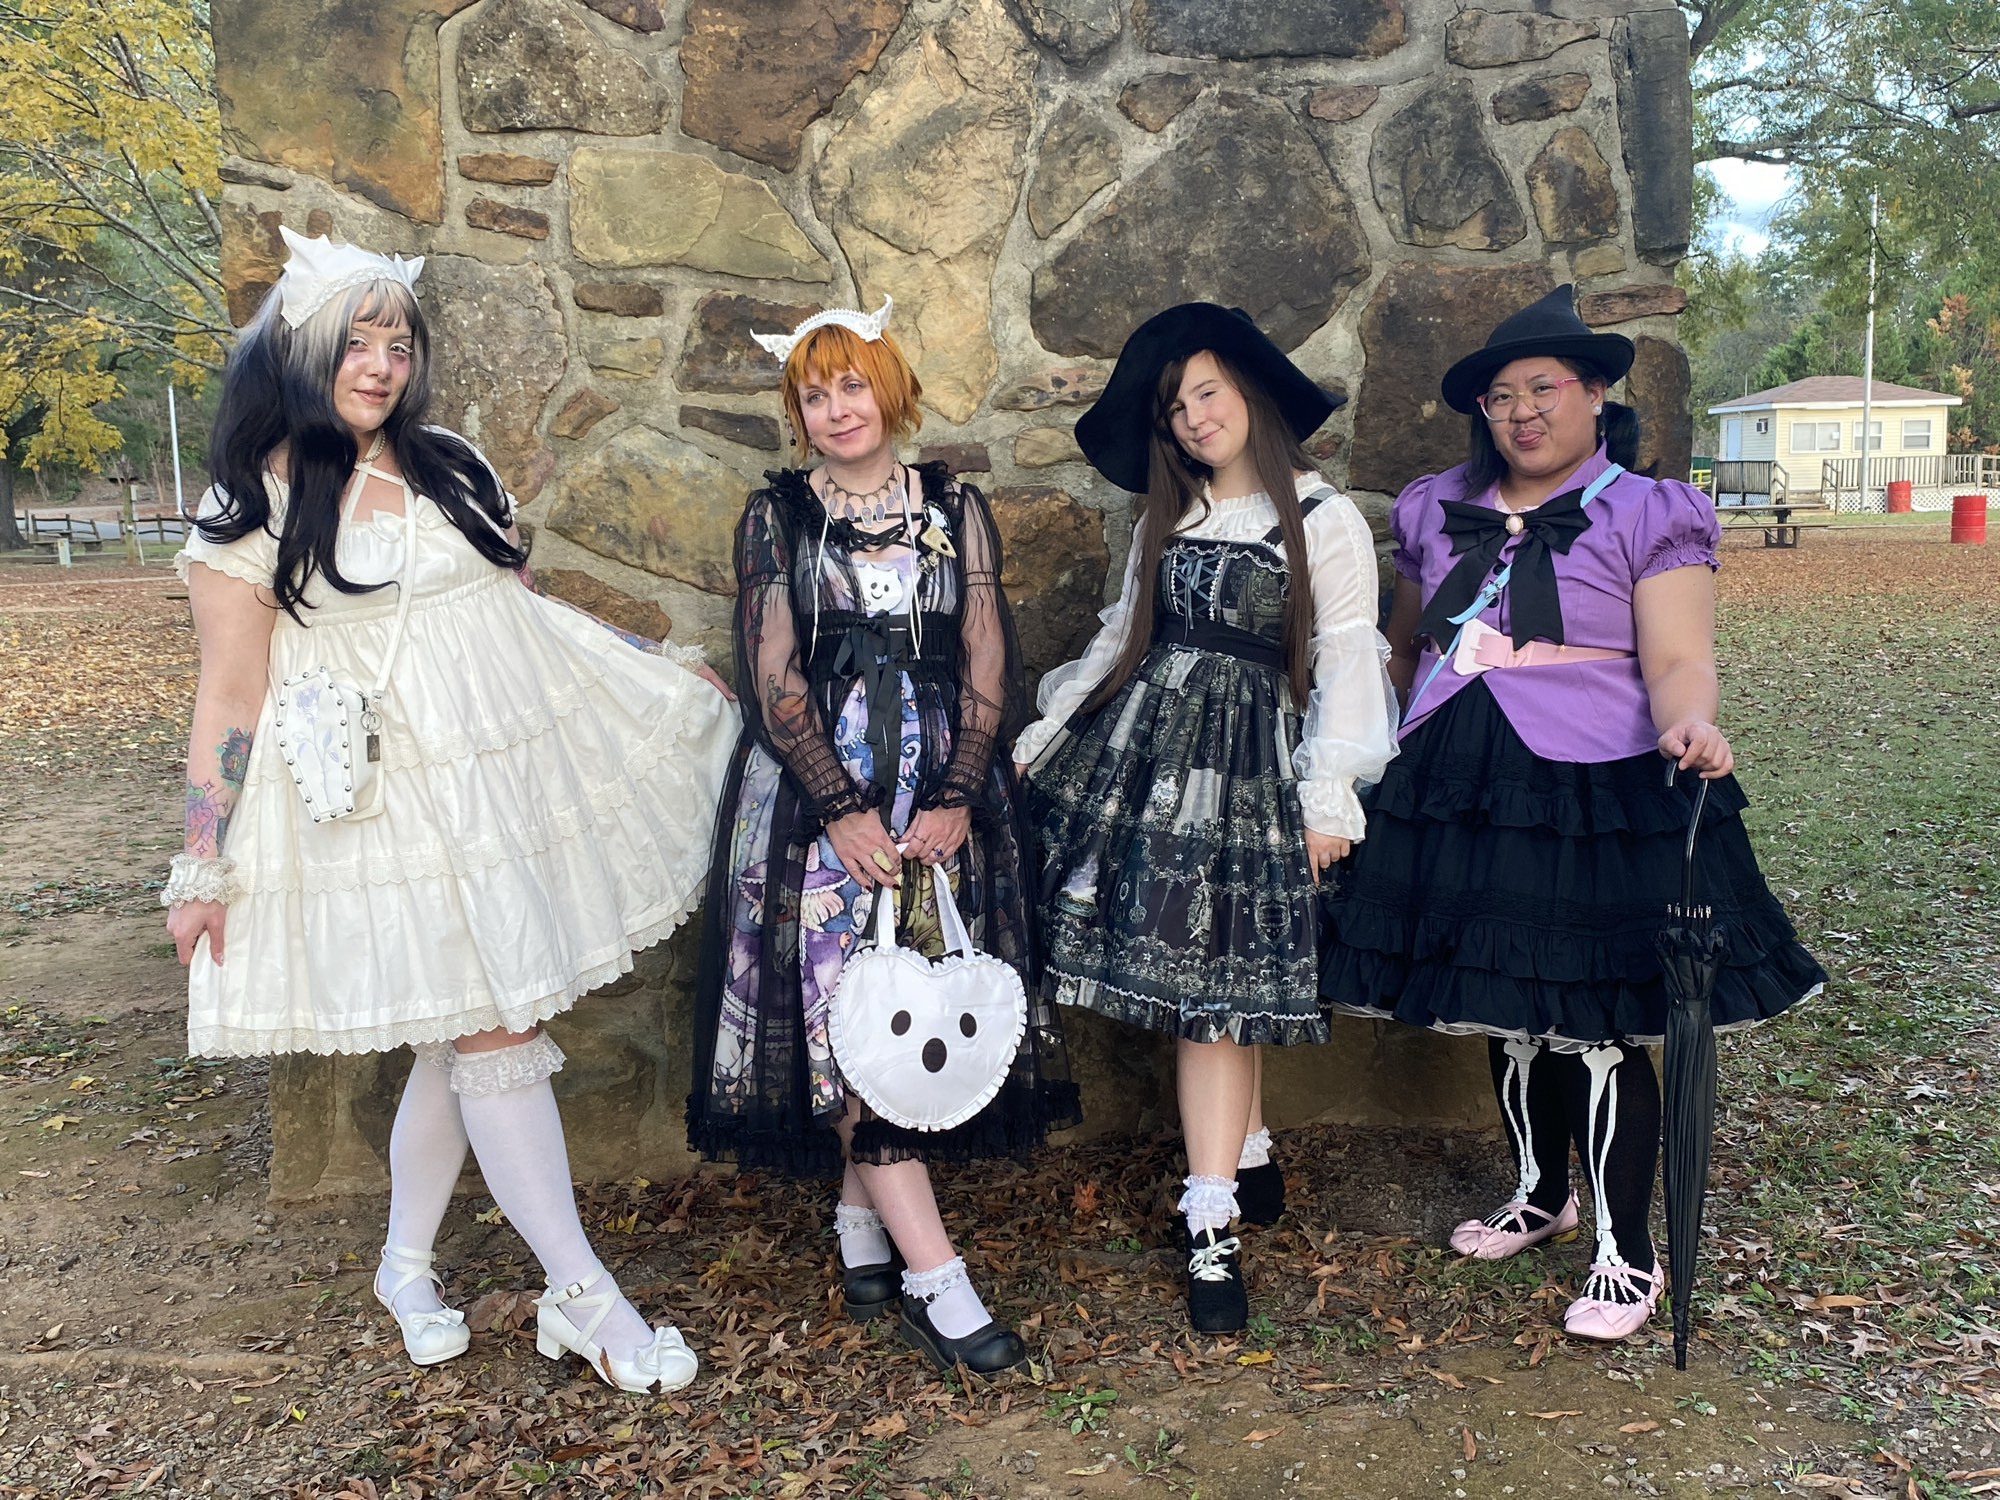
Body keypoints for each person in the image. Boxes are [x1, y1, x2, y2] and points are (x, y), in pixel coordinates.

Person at [164, 230, 735, 1393]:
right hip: (382, 818)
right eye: (354, 343)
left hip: (488, 796)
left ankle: (404, 1265)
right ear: (300, 353)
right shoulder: (256, 505)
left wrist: (654, 665)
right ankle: (583, 1297)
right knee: (493, 1033)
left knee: (464, 1031)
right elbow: (228, 694)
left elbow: (525, 613)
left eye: (397, 342)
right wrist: (201, 862)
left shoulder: (452, 467)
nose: (380, 364)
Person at [1319, 285, 1827, 1341]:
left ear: (1594, 393)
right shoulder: (1434, 507)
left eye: (1542, 388)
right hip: (1458, 784)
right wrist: (1357, 757)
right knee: (1506, 1004)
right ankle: (1540, 1195)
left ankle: (1625, 1252)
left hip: (1591, 790)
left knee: (1592, 1025)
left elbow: (1677, 659)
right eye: (1500, 396)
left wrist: (1690, 724)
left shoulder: (1649, 511)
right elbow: (1404, 650)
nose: (1521, 412)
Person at [685, 298, 1078, 1377]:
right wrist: (839, 806)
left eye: (851, 385)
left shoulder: (957, 507)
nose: (834, 409)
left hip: (938, 788)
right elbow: (772, 674)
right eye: (813, 395)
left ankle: (861, 1222)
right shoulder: (776, 517)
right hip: (818, 797)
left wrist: (957, 794)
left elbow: (987, 654)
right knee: (851, 1016)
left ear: (890, 389)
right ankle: (938, 1283)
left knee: (910, 993)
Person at [1014, 304, 1399, 1333]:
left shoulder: (1320, 518)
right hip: (1149, 768)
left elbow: (1346, 660)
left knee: (1221, 988)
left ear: (1251, 394)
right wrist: (1050, 731)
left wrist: (1329, 795)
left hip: (1249, 778)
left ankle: (1212, 1220)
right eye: (1175, 408)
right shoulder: (1168, 517)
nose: (1192, 419)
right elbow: (1120, 638)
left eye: (1207, 394)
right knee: (1209, 985)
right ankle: (1247, 1157)